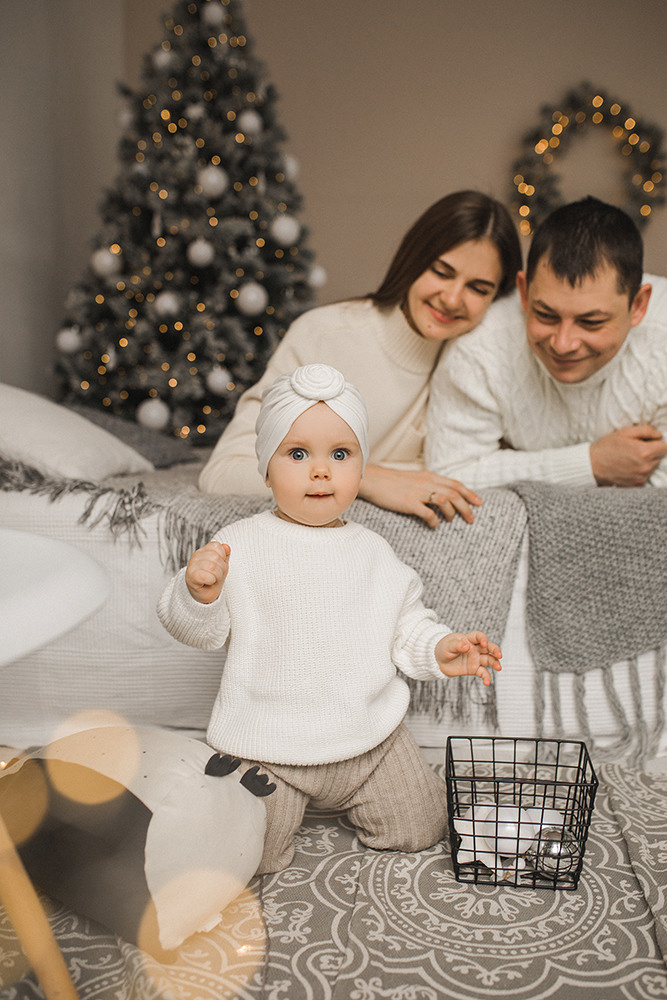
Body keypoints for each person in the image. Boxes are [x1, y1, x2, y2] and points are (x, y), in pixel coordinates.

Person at [158, 364, 502, 874]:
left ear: (361, 469)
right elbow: (200, 632)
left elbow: (406, 623)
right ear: (266, 468)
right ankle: (253, 806)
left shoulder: (374, 551)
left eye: (340, 455)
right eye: (298, 454)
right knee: (248, 853)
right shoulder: (239, 544)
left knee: (422, 826)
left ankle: (367, 794)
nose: (321, 471)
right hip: (269, 747)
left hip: (369, 743)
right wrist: (198, 594)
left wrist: (438, 648)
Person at [199, 190, 522, 526]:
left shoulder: (485, 368)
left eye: (479, 288)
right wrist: (367, 478)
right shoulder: (324, 336)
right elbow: (223, 472)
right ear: (413, 259)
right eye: (441, 272)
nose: (453, 299)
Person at [425, 197, 667, 488]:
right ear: (524, 292)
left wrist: (509, 465)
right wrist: (590, 465)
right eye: (546, 315)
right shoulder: (480, 348)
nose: (562, 344)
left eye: (591, 322)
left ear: (638, 305)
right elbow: (451, 473)